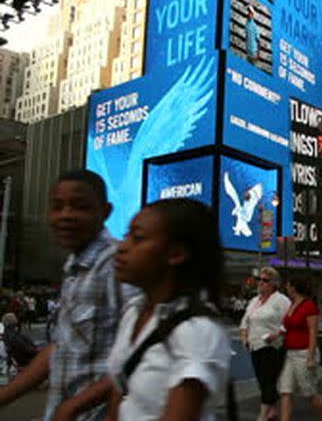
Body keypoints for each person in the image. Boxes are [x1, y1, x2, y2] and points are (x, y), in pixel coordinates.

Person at [0, 170, 136, 421]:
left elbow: (141, 355)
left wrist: (74, 406)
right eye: (57, 206)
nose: (66, 216)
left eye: (80, 206)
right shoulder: (74, 268)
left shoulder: (119, 265)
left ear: (105, 211)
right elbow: (61, 348)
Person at [104, 199, 231, 420]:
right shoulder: (134, 312)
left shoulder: (197, 331)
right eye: (126, 235)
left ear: (176, 254)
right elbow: (121, 394)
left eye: (138, 238)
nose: (122, 247)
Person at [240, 267, 291, 421]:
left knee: (268, 381)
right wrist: (244, 337)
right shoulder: (254, 301)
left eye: (265, 280)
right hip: (255, 346)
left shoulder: (281, 300)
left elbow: (290, 322)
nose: (260, 283)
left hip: (273, 346)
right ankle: (272, 411)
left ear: (273, 284)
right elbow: (245, 322)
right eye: (259, 280)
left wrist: (277, 333)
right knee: (262, 381)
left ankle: (262, 416)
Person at [277, 275, 322, 421]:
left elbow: (313, 332)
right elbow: (288, 326)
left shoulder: (309, 306)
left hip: (303, 352)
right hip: (290, 353)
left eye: (288, 285)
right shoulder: (292, 304)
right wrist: (277, 334)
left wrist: (311, 357)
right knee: (285, 390)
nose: (286, 288)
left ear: (294, 287)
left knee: (310, 393)